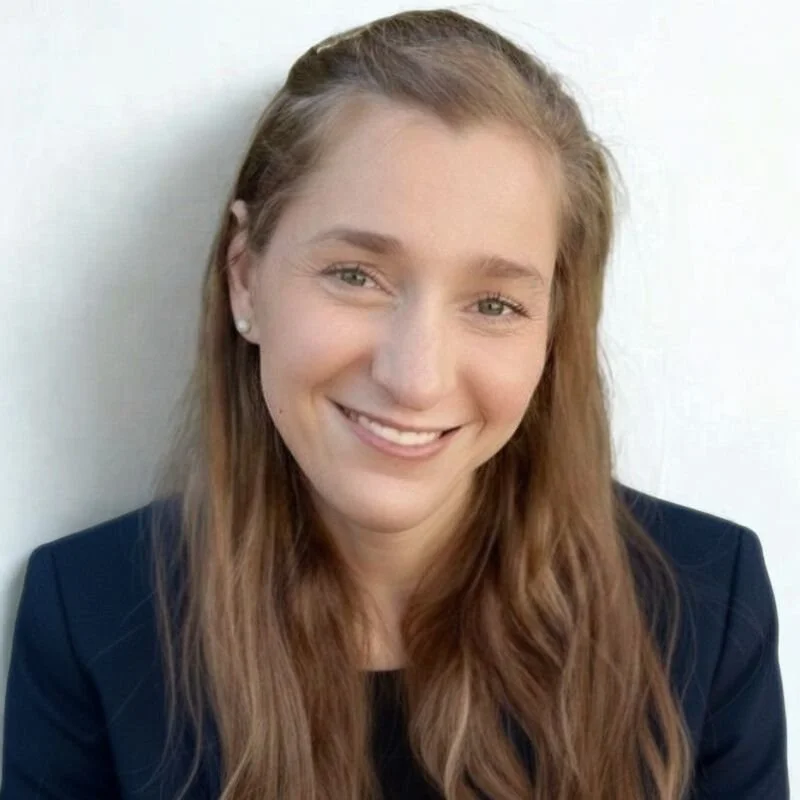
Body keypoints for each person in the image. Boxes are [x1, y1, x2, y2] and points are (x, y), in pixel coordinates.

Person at [0, 8, 789, 800]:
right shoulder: (87, 616)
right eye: (356, 275)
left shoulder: (707, 605)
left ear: (554, 327)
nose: (416, 378)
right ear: (244, 277)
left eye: (494, 304)